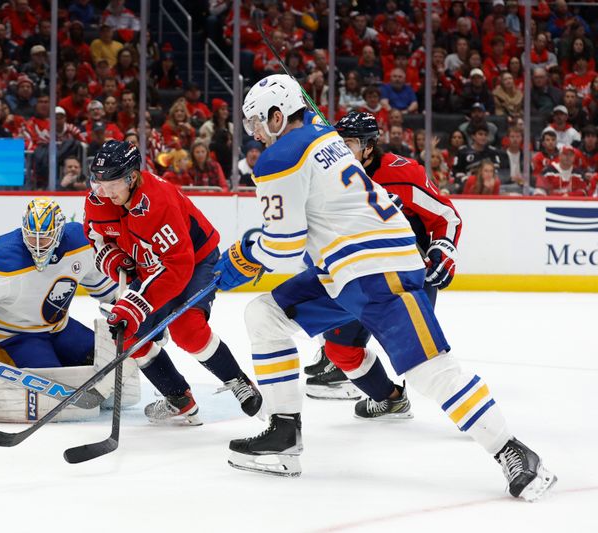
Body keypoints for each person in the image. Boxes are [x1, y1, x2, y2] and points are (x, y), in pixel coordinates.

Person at [216, 74, 556, 502]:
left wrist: (243, 255)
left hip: (379, 270)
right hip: (344, 271)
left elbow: (283, 250)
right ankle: (284, 432)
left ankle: (514, 451)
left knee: (431, 370)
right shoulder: (327, 139)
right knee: (264, 315)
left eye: (257, 124)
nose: (256, 135)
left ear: (278, 115)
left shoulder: (282, 154)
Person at [83, 140, 262, 425]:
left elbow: (178, 267)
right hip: (150, 267)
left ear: (131, 177)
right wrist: (115, 259)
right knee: (129, 334)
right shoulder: (99, 198)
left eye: (111, 183)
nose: (102, 191)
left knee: (187, 329)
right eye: (97, 182)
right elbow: (97, 237)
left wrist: (138, 304)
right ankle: (179, 399)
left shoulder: (158, 202)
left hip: (193, 261)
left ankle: (238, 381)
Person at [304, 111, 462, 413]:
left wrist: (443, 251)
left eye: (348, 143)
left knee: (421, 363)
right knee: (340, 349)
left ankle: (479, 417)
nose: (340, 149)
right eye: (338, 142)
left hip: (406, 277)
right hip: (357, 276)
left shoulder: (404, 174)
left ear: (368, 146)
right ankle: (390, 399)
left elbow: (446, 217)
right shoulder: (330, 177)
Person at [0, 198, 136, 422]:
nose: (38, 245)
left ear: (59, 232)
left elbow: (107, 289)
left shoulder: (81, 243)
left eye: (46, 237)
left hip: (60, 329)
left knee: (107, 359)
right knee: (50, 391)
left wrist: (133, 310)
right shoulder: (3, 256)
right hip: (13, 337)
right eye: (32, 236)